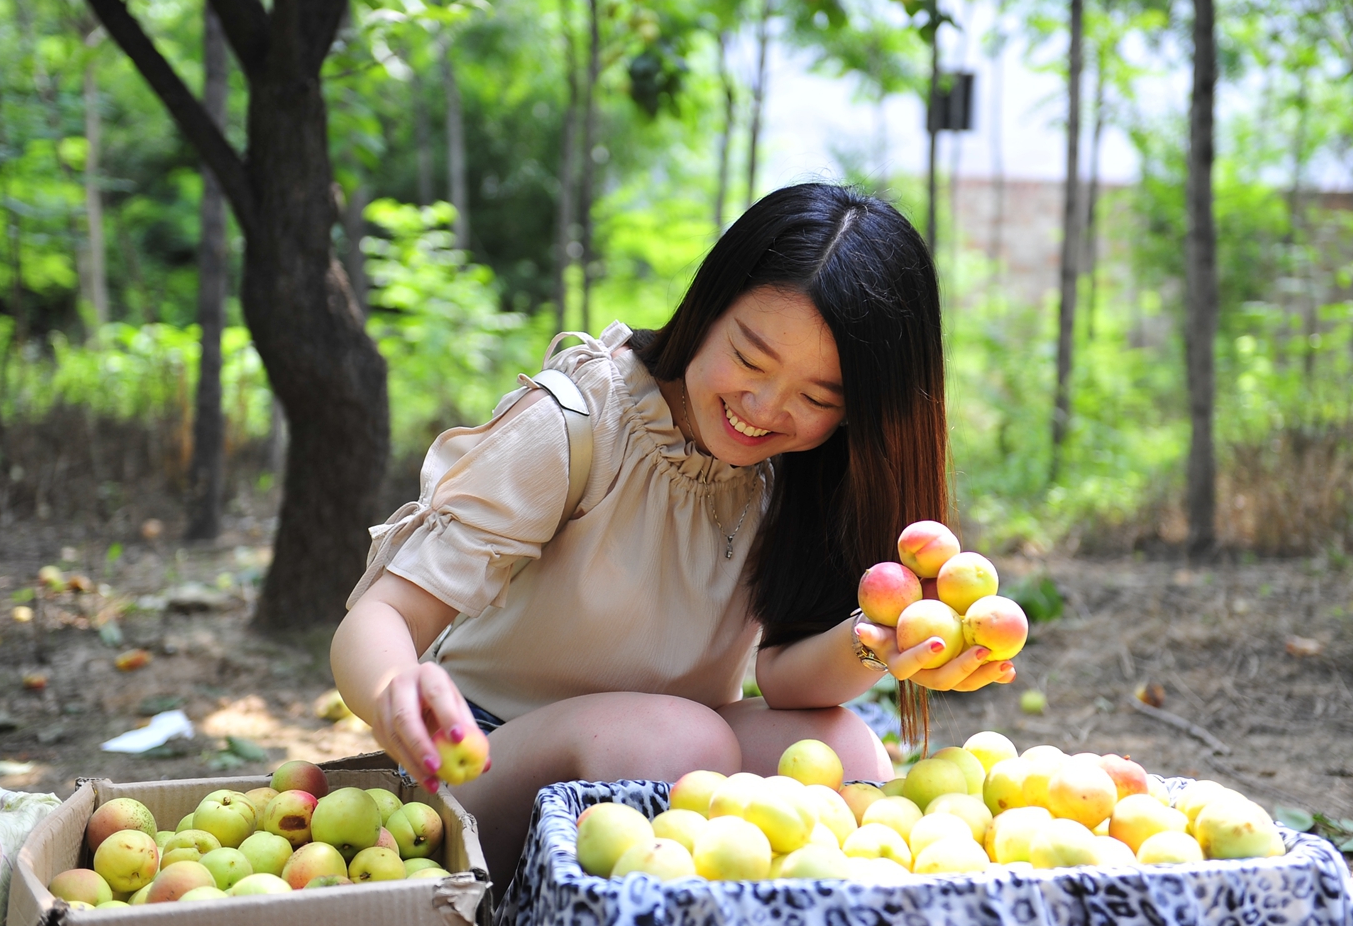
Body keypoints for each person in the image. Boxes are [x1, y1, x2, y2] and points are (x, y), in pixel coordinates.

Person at [331, 183, 1016, 882]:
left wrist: (880, 642)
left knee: (842, 747)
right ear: (708, 307)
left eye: (818, 398)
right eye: (750, 359)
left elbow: (781, 676)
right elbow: (383, 613)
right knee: (678, 738)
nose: (763, 409)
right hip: (481, 764)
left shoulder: (794, 475)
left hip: (672, 764)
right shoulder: (577, 425)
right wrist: (396, 687)